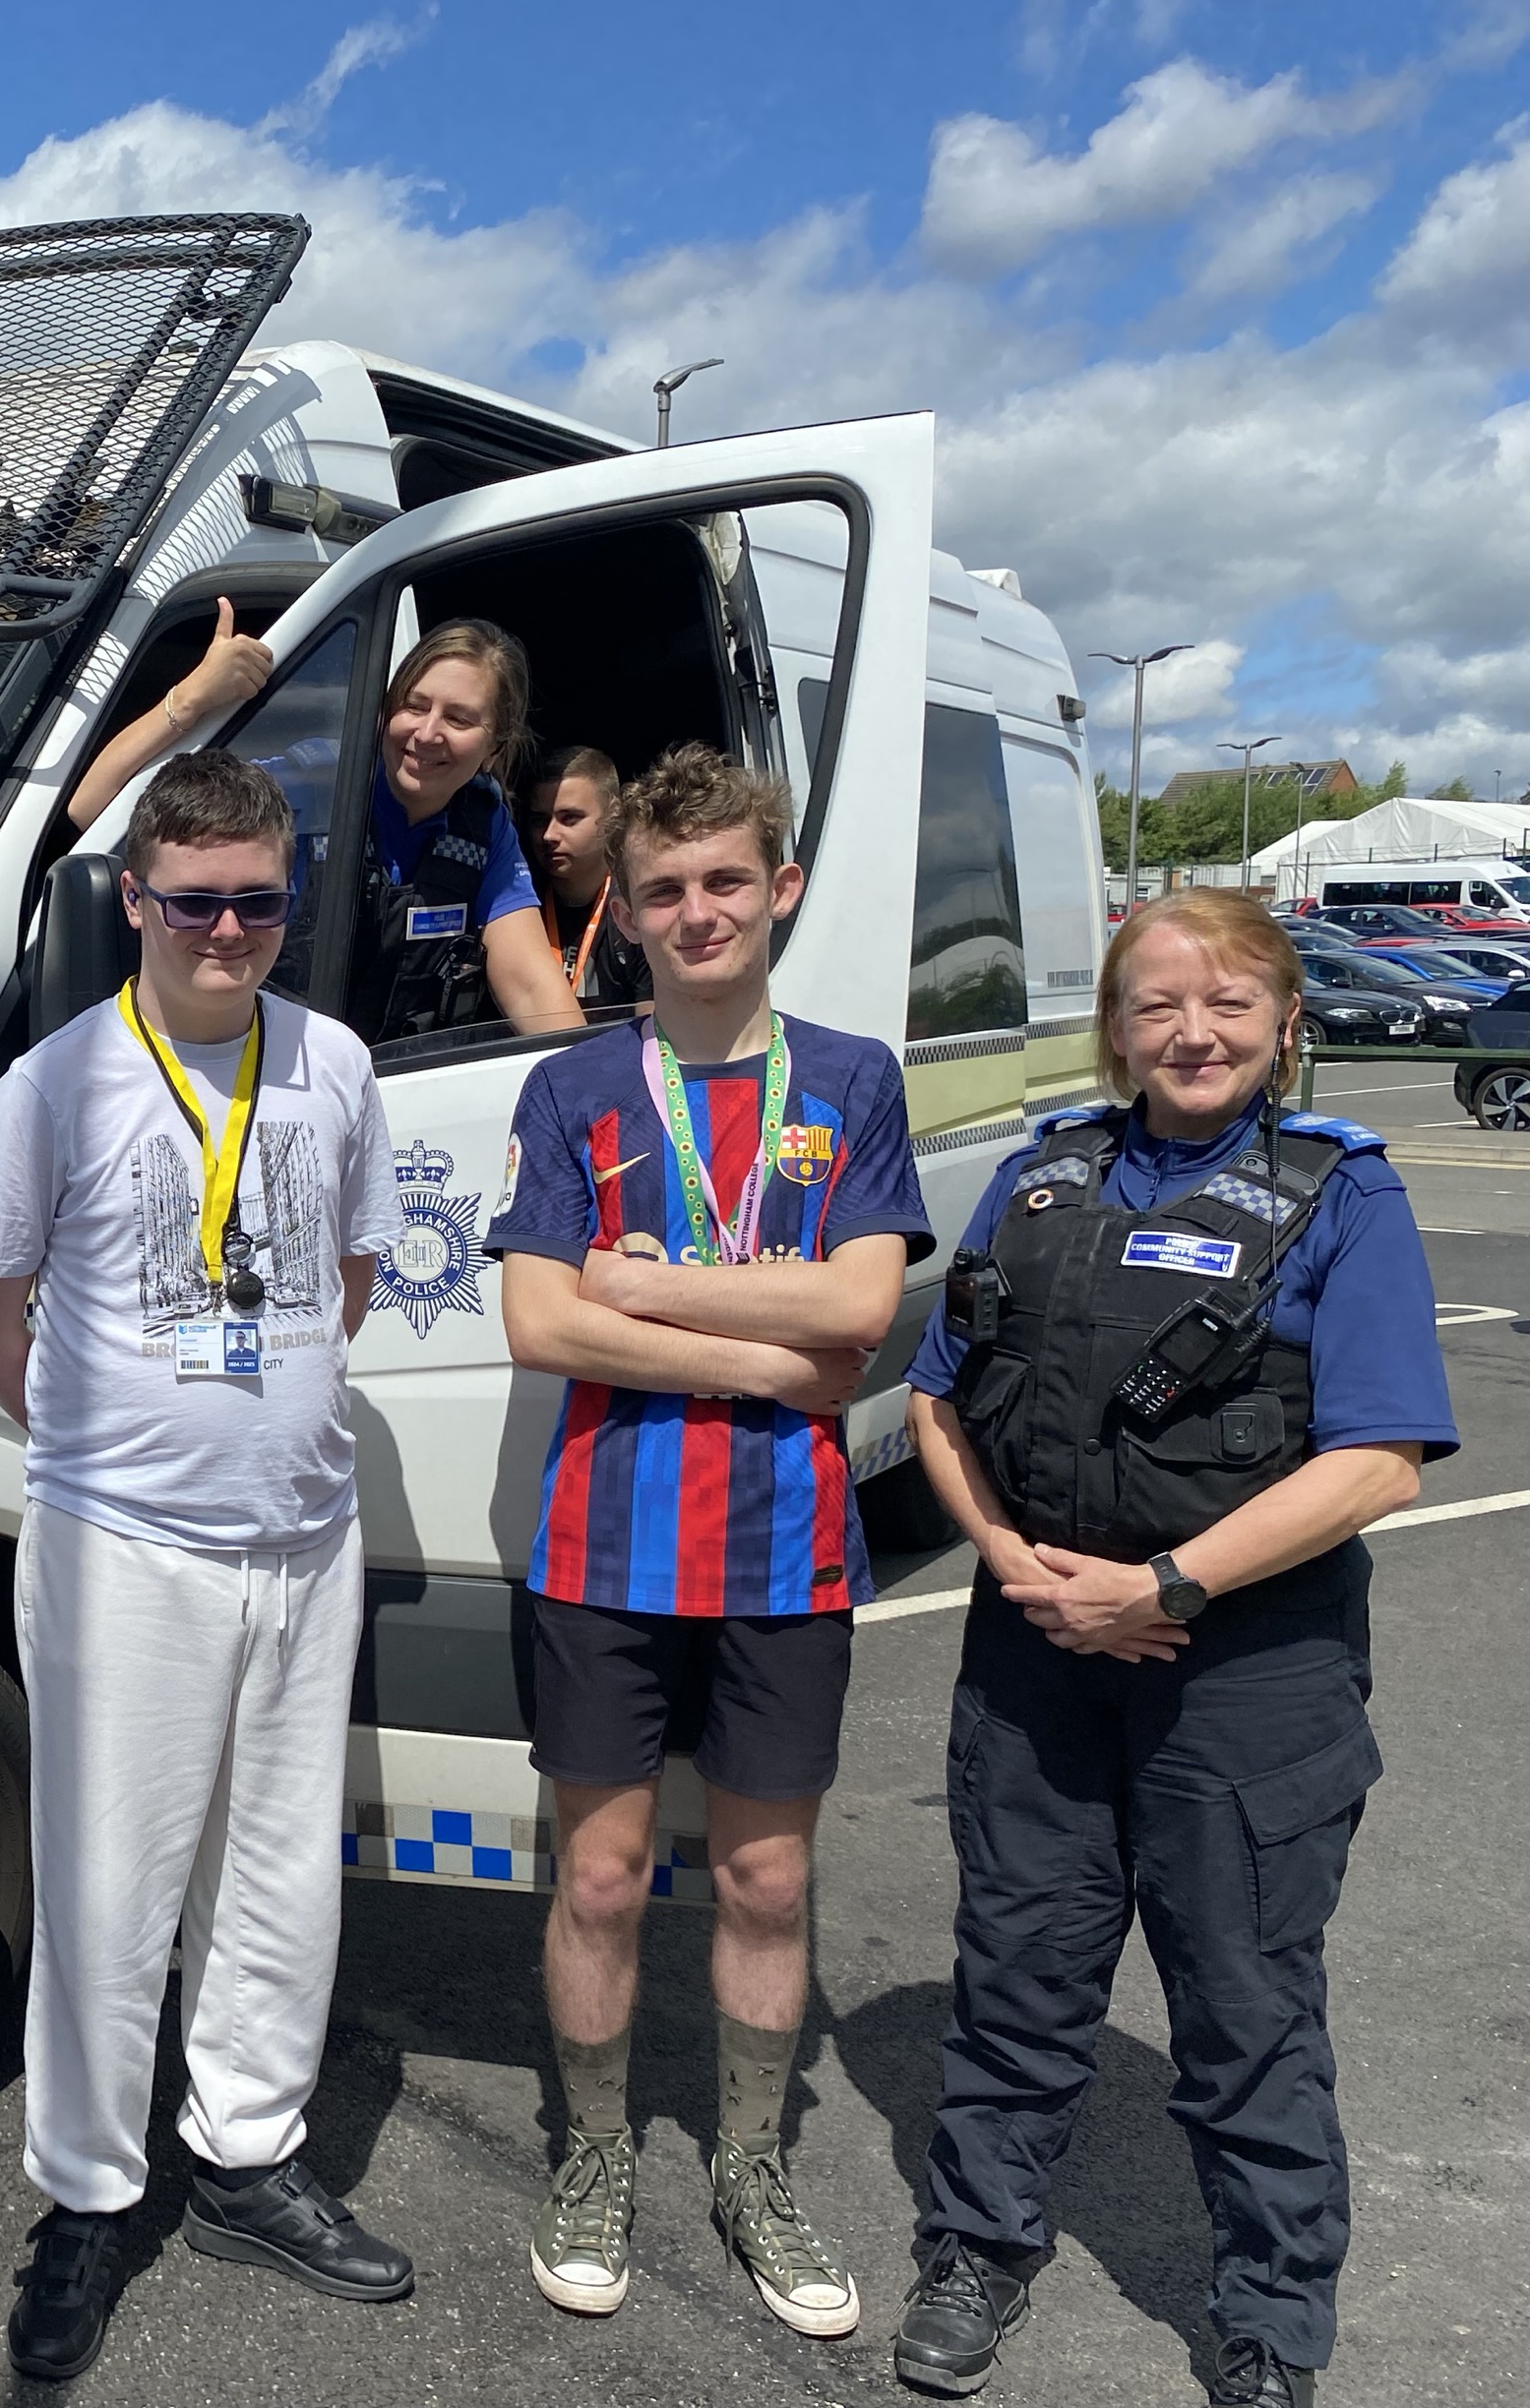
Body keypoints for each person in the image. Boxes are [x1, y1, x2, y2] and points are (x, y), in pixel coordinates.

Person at [887, 888, 1450, 2408]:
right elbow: (938, 1397)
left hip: (1244, 1677)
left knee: (1246, 2004)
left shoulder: (1344, 1194)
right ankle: (977, 2244)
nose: (1191, 1032)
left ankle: (1271, 2318)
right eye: (1157, 1005)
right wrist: (1002, 1556)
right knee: (1017, 1971)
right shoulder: (1041, 1178)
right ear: (1116, 1028)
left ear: (1283, 1026)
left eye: (1227, 1004)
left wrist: (1169, 1589)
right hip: (1036, 1655)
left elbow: (1383, 1455)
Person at [0, 749, 413, 2385]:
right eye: (195, 898)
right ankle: (83, 2192)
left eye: (257, 899)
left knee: (278, 1866)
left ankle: (244, 2151)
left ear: (288, 899)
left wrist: (253, 1415)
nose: (227, 926)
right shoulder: (54, 1079)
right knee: (107, 1882)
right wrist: (112, 1440)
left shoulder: (335, 1064)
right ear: (134, 899)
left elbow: (348, 1273)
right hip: (119, 1542)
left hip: (301, 1532)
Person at [488, 743, 928, 2344]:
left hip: (779, 1559)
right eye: (662, 887)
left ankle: (749, 2164)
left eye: (721, 880)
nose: (693, 910)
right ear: (628, 912)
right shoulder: (572, 1088)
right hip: (600, 1554)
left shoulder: (848, 1078)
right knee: (596, 1873)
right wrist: (761, 1356)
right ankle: (591, 2152)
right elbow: (537, 1317)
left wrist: (650, 1288)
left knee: (759, 1874)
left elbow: (863, 1308)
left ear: (776, 887)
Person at [61, 609, 582, 1043]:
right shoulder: (316, 782)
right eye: (414, 706)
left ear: (495, 746)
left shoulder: (483, 821)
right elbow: (92, 805)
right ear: (384, 712)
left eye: (459, 719)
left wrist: (596, 1100)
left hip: (400, 1087)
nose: (427, 733)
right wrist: (195, 696)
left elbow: (534, 985)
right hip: (274, 1071)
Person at [518, 746, 648, 1010]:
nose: (549, 835)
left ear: (613, 815)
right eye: (538, 820)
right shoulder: (513, 906)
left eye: (569, 818)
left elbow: (654, 1038)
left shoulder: (642, 910)